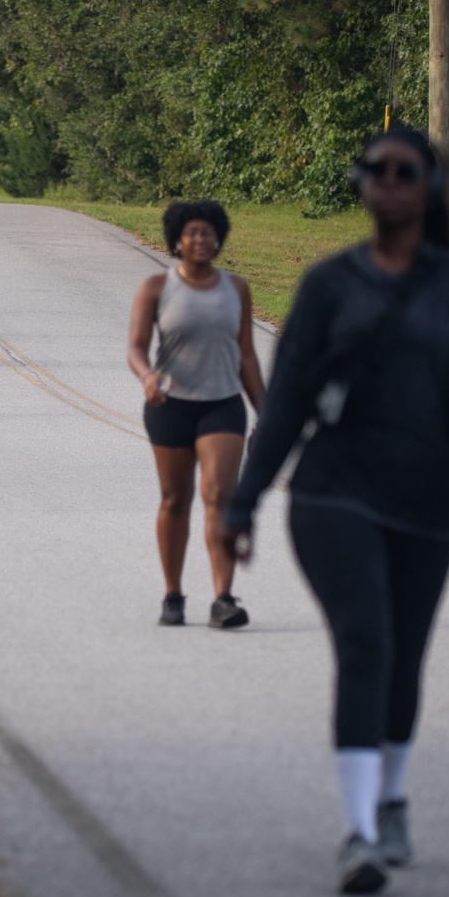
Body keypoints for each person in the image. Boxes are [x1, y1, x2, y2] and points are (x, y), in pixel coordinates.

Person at [222, 124, 449, 896]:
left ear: (429, 188)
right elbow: (289, 397)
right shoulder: (330, 283)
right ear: (361, 185)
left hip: (428, 497)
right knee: (365, 644)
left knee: (402, 659)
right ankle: (360, 831)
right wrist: (245, 499)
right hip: (334, 493)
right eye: (377, 170)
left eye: (407, 172)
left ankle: (392, 795)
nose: (391, 182)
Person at [128, 199, 265, 629]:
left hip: (222, 403)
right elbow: (135, 347)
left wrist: (268, 412)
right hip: (170, 405)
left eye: (208, 232)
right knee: (175, 499)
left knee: (219, 494)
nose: (201, 239)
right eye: (192, 233)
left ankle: (223, 597)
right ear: (177, 239)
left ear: (218, 238)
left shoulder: (236, 288)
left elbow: (246, 355)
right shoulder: (157, 287)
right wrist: (147, 376)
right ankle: (173, 595)